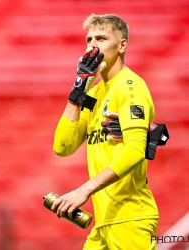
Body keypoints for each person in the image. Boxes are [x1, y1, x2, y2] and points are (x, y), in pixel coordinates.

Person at [51, 14, 159, 249]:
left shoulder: (130, 87)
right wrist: (78, 90)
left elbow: (135, 148)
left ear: (122, 45)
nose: (92, 45)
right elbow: (62, 147)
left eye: (101, 38)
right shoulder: (95, 92)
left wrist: (85, 190)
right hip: (104, 221)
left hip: (131, 219)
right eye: (89, 40)